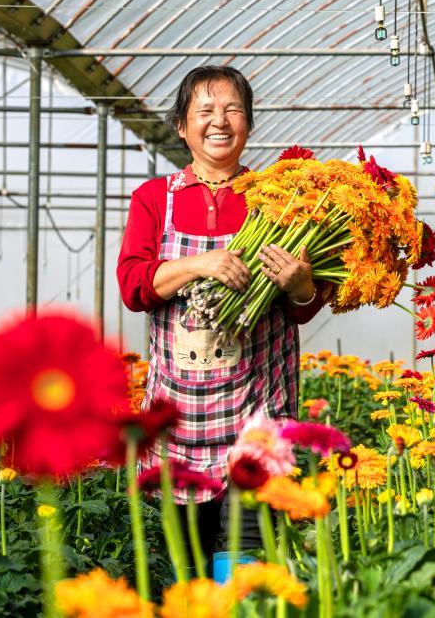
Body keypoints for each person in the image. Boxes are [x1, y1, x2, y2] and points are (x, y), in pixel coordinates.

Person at [117, 65, 333, 565]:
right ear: (181, 125)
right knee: (189, 562)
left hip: (256, 411)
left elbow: (303, 310)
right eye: (205, 110)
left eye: (233, 109)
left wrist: (302, 289)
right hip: (182, 419)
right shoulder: (154, 199)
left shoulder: (281, 200)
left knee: (247, 558)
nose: (220, 121)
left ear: (249, 124)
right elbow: (133, 286)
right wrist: (197, 265)